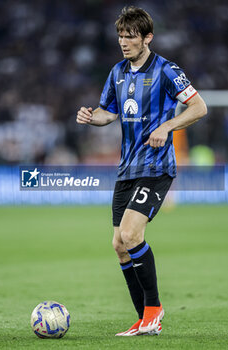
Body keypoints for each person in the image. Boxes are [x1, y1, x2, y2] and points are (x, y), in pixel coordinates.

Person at [76, 6, 207, 336]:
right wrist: (93, 117)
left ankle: (154, 309)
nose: (123, 41)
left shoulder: (166, 70)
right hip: (126, 169)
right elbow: (109, 113)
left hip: (156, 166)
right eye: (120, 35)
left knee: (133, 234)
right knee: (119, 244)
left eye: (130, 36)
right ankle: (144, 319)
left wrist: (167, 126)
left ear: (147, 37)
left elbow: (199, 106)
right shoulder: (117, 72)